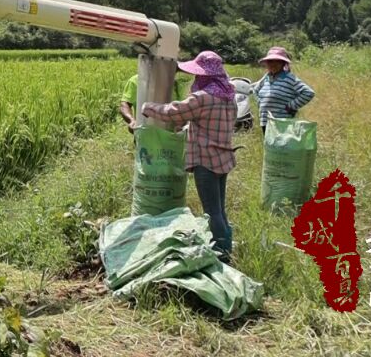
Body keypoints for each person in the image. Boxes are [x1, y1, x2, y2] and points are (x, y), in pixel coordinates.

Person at [139, 50, 238, 261]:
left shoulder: (202, 97)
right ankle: (226, 243)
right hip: (224, 158)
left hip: (206, 160)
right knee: (220, 208)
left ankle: (222, 254)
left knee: (211, 211)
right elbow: (208, 121)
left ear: (204, 75)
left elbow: (174, 112)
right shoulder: (229, 95)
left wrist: (148, 107)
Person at [253, 46, 314, 132]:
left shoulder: (289, 78)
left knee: (282, 145)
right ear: (266, 63)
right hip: (265, 121)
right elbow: (255, 90)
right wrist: (260, 102)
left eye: (277, 61)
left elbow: (308, 93)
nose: (273, 64)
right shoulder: (266, 77)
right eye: (270, 61)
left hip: (282, 122)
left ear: (283, 63)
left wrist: (291, 106)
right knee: (269, 145)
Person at [118, 74, 187, 129]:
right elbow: (125, 104)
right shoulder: (136, 80)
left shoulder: (172, 82)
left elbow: (178, 105)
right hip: (144, 130)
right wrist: (131, 120)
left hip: (169, 133)